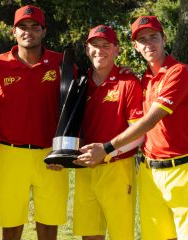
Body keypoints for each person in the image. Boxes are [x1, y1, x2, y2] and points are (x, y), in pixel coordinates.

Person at [75, 16, 188, 240]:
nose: (148, 44)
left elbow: (149, 121)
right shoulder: (144, 78)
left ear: (164, 39)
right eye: (142, 40)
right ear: (135, 46)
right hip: (148, 172)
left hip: (181, 169)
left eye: (153, 37)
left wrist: (106, 149)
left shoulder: (179, 72)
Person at [0, 5, 69, 240]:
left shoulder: (61, 63)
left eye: (35, 27)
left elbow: (76, 106)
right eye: (23, 27)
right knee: (11, 225)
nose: (29, 31)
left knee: (49, 225)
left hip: (51, 155)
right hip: (11, 155)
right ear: (14, 32)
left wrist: (65, 151)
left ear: (43, 31)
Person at [72, 25, 143, 240]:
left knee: (120, 235)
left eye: (106, 45)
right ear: (86, 49)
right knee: (90, 235)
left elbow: (139, 134)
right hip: (85, 167)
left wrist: (107, 151)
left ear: (116, 50)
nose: (99, 50)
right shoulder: (80, 83)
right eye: (94, 45)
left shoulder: (128, 82)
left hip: (117, 168)